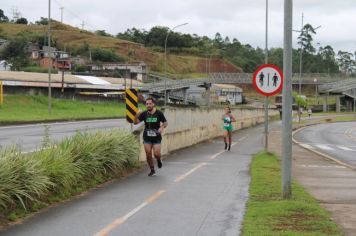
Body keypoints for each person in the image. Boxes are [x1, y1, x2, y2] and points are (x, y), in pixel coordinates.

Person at [134, 97, 168, 176]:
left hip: (156, 137)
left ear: (153, 104)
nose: (148, 105)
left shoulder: (159, 113)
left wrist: (161, 127)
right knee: (148, 153)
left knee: (156, 154)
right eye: (147, 104)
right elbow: (135, 123)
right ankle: (152, 169)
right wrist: (136, 114)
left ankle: (159, 160)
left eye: (149, 104)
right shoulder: (144, 114)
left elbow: (165, 122)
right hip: (147, 137)